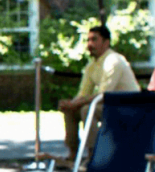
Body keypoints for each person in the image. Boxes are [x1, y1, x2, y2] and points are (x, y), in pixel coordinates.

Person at [59, 25, 139, 162]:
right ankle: (73, 154)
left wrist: (77, 103)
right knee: (70, 110)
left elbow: (104, 94)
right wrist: (71, 104)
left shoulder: (114, 60)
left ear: (106, 42)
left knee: (86, 110)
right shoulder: (91, 65)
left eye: (94, 40)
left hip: (128, 106)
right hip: (109, 104)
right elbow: (83, 92)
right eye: (88, 40)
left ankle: (94, 155)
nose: (89, 44)